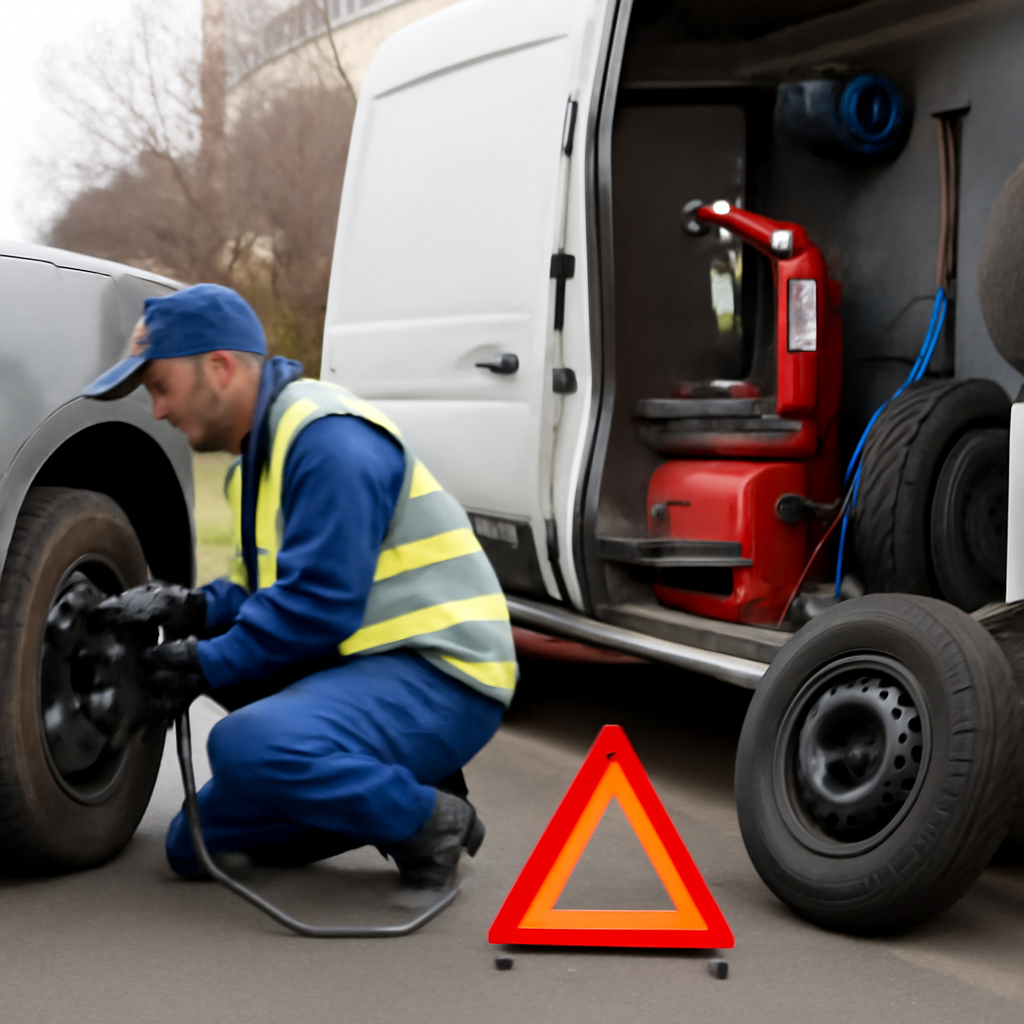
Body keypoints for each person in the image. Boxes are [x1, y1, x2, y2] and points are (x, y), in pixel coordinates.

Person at [82, 283, 517, 890]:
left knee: (242, 745)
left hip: (443, 674)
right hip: (364, 668)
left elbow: (319, 605)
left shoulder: (327, 441)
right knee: (195, 846)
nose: (157, 410)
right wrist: (192, 607)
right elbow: (268, 591)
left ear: (220, 367)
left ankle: (427, 820)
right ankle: (387, 782)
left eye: (161, 387)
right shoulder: (256, 467)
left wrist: (203, 663)